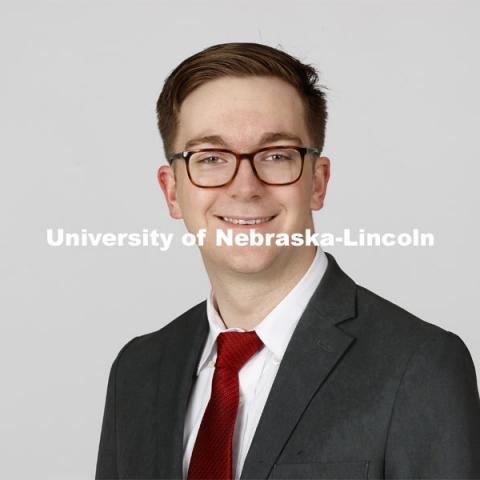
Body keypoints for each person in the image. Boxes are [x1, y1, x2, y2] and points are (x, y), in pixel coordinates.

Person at [95, 42, 480, 480]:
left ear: (318, 182)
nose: (244, 187)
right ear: (171, 191)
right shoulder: (138, 370)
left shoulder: (420, 366)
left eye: (276, 155)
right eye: (211, 158)